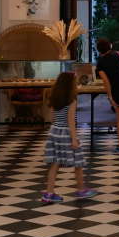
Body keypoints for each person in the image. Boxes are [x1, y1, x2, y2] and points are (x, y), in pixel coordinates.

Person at [43, 72, 95, 204]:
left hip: (54, 131)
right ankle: (81, 189)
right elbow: (71, 121)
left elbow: (52, 118)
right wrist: (74, 138)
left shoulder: (54, 98)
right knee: (78, 162)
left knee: (54, 164)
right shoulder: (72, 100)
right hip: (66, 133)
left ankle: (49, 193)